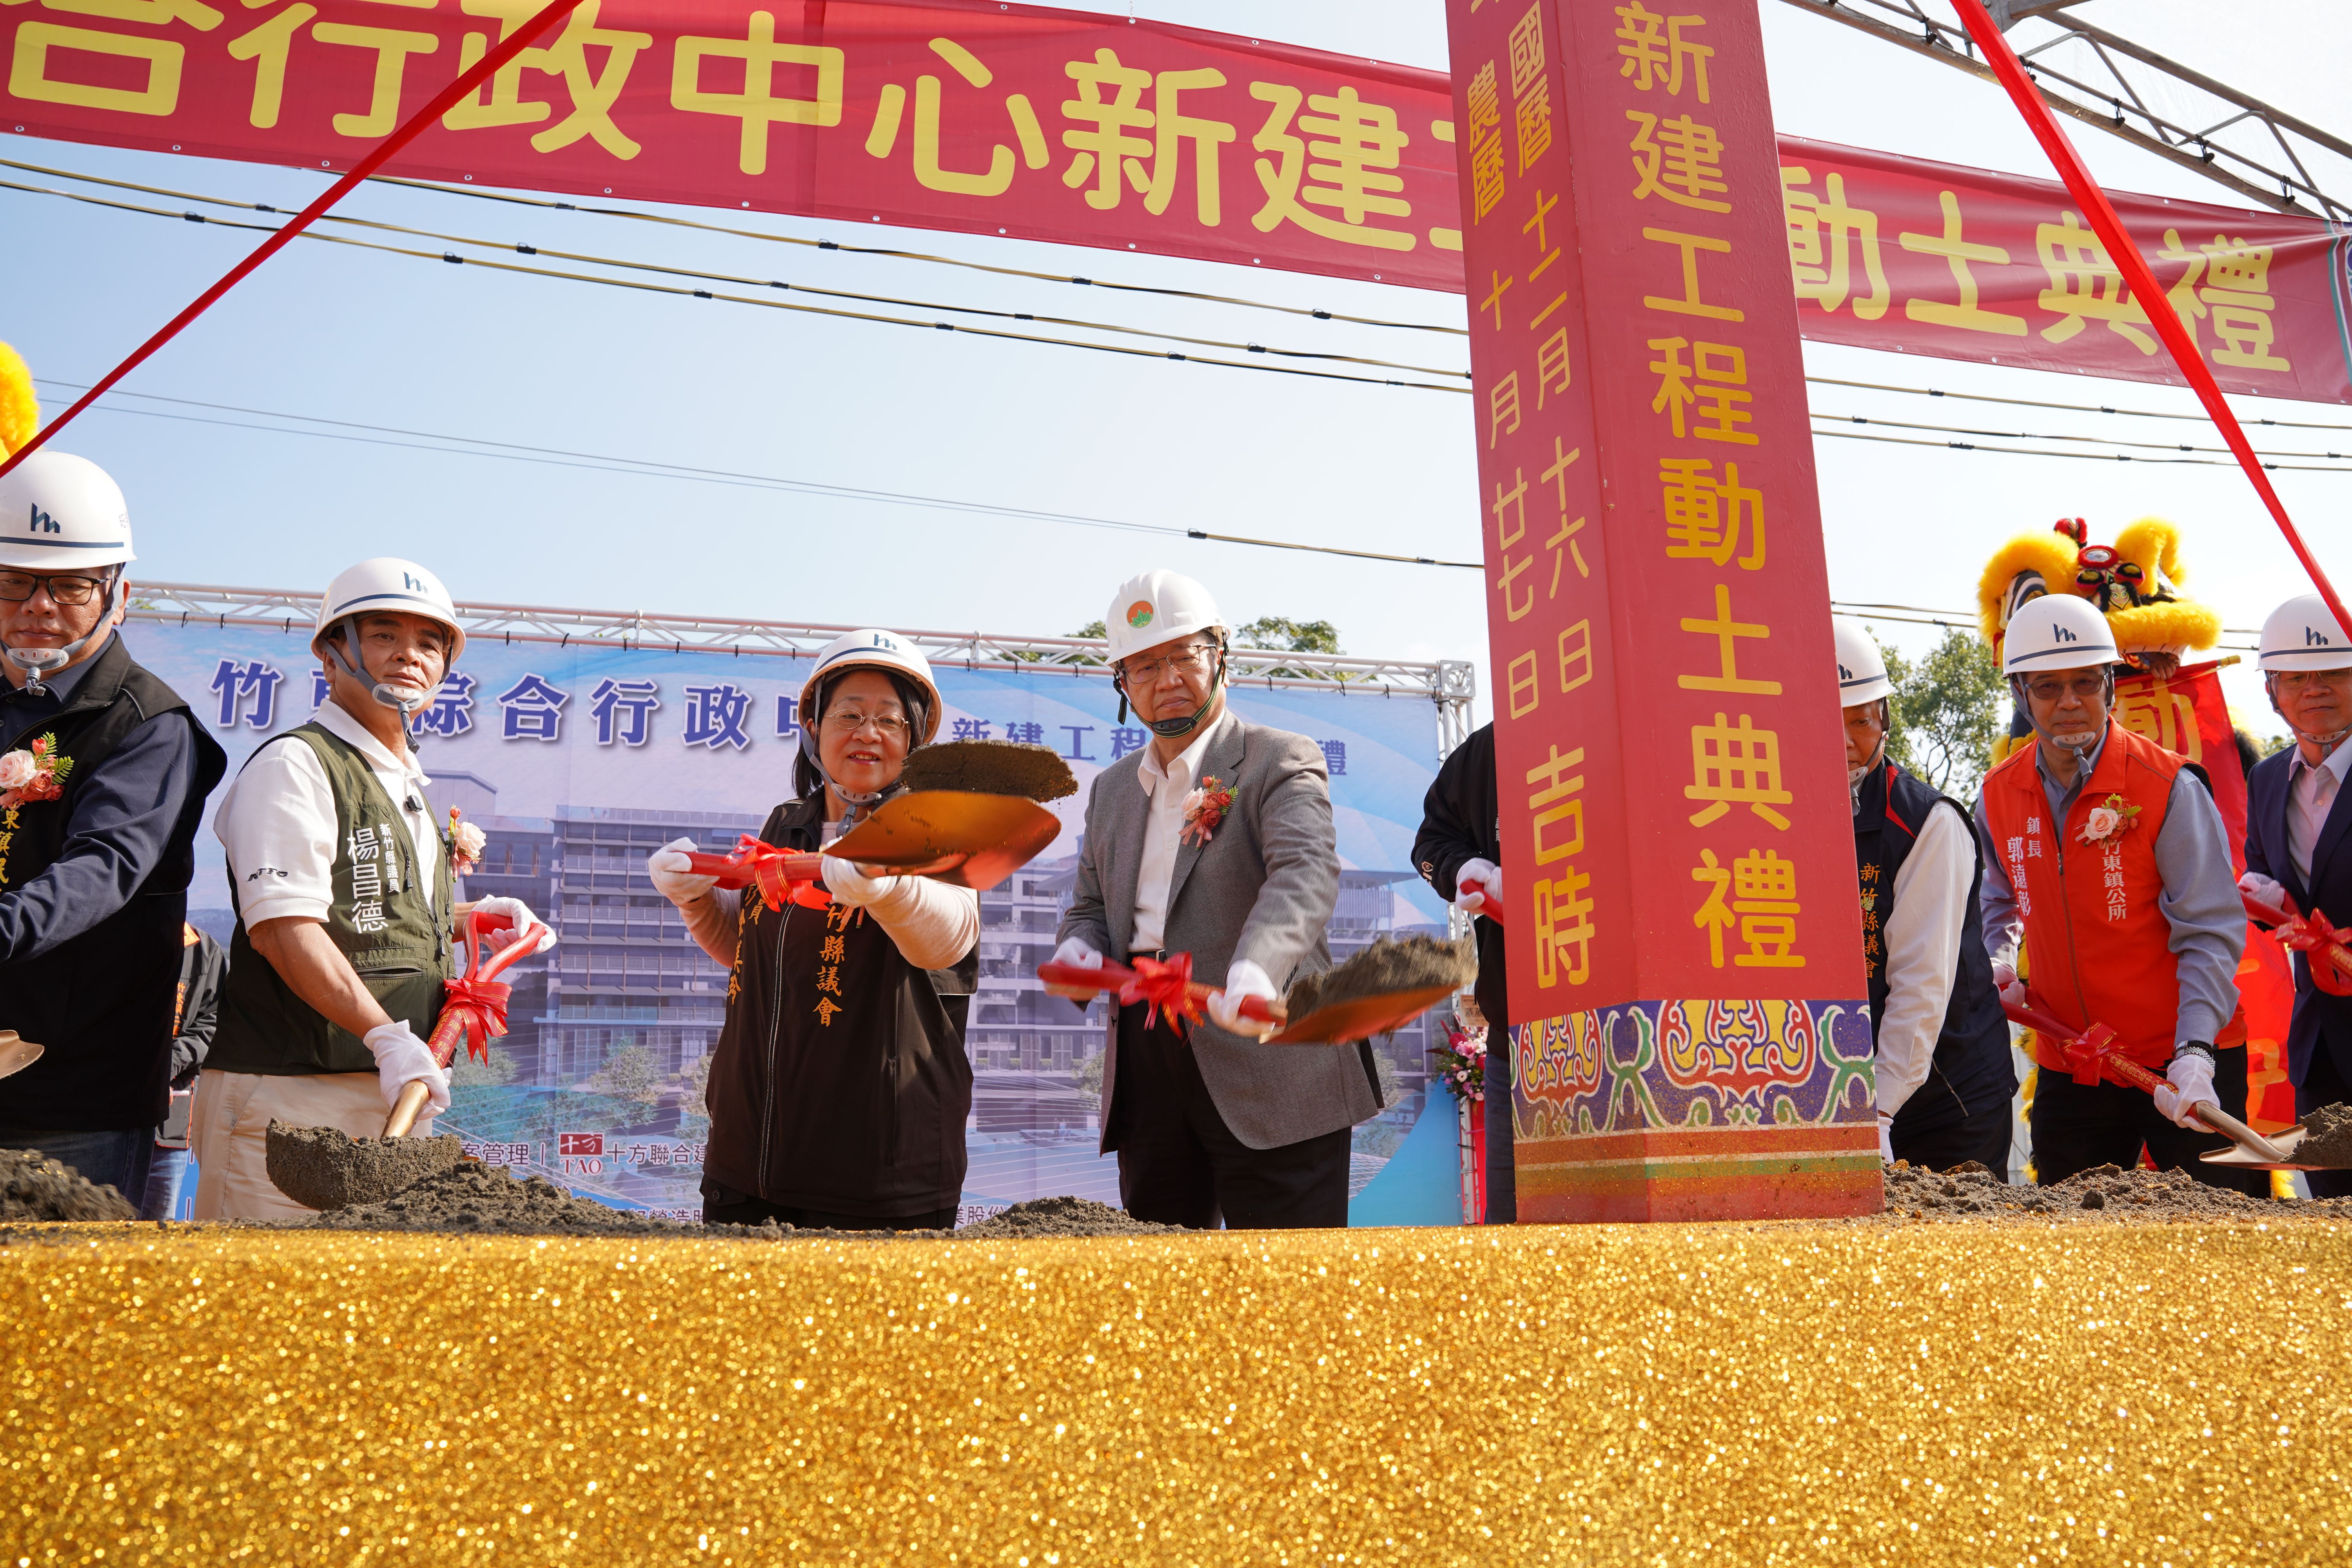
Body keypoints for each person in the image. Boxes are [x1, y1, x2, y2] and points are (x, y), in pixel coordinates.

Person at [196, 559, 552, 1220]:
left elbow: (373, 915)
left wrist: (471, 917)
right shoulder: (297, 764)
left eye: (429, 643)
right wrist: (386, 1036)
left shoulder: (400, 779)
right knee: (265, 1285)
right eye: (385, 635)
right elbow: (283, 929)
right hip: (291, 1101)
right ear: (332, 654)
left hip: (395, 1093)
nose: (409, 656)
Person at [1054, 569, 1381, 1229]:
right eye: (1144, 666)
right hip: (1149, 1064)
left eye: (1184, 654)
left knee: (1288, 1275)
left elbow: (1304, 872)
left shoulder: (1278, 759)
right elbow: (1090, 904)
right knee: (1165, 1268)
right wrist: (1078, 948)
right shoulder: (1113, 790)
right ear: (1122, 684)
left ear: (1221, 655)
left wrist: (1257, 969)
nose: (1167, 678)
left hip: (1270, 1053)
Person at [651, 630, 979, 1231]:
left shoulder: (937, 832)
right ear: (812, 727)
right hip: (747, 1165)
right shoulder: (785, 826)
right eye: (849, 715)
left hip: (880, 1179)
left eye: (890, 720)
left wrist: (889, 889)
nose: (868, 733)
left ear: (915, 740)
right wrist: (695, 899)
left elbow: (950, 940)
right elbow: (748, 951)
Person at [1973, 593, 2263, 1192]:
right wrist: (1997, 958)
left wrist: (2195, 1050)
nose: (2069, 701)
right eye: (2047, 687)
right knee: (2071, 1228)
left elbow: (2209, 929)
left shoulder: (2167, 786)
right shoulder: (1998, 794)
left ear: (2110, 686)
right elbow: (1996, 899)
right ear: (2021, 695)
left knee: (2226, 1231)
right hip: (2075, 1060)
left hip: (2183, 1064)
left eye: (2086, 681)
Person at [0, 450, 226, 1201]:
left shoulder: (148, 724)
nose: (38, 605)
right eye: (14, 581)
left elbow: (103, 869)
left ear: (118, 596)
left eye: (70, 585)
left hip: (73, 1101)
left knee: (59, 1279)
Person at [1833, 623, 2015, 1172]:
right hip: (1849, 1093)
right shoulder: (1780, 819)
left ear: (1885, 718)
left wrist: (1880, 1111)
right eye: (1825, 722)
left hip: (1948, 1096)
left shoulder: (1925, 823)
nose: (1845, 741)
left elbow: (1920, 983)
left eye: (1860, 721)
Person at [2240, 593, 2352, 1198]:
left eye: (2334, 671)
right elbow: (2268, 881)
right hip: (2320, 1045)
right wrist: (2263, 897)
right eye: (2296, 677)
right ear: (2271, 691)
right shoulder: (2266, 780)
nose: (2316, 689)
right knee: (2334, 1221)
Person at [1411, 721, 1512, 1221]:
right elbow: (1433, 841)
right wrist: (1465, 869)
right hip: (1520, 1038)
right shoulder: (1493, 745)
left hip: (1662, 1025)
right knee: (1515, 1227)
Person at [137, 923, 225, 1221]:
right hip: (104, 1124)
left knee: (158, 1229)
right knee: (98, 1224)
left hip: (169, 1127)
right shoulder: (110, 935)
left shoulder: (204, 950)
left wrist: (165, 1068)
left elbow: (214, 1023)